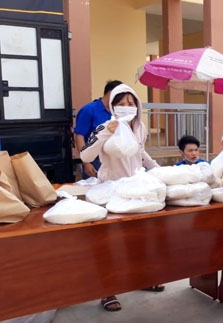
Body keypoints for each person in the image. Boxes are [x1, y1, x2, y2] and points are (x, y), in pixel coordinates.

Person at [80, 83, 164, 311]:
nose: (127, 108)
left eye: (131, 104)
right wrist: (107, 131)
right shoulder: (104, 127)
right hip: (110, 189)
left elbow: (141, 152)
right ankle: (107, 291)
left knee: (136, 239)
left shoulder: (139, 128)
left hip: (136, 189)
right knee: (109, 244)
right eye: (122, 104)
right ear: (113, 106)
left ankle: (140, 280)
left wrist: (158, 169)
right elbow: (85, 153)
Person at [74, 80, 122, 178]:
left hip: (113, 158)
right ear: (110, 93)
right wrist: (86, 163)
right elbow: (79, 136)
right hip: (94, 160)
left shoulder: (117, 111)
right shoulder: (89, 110)